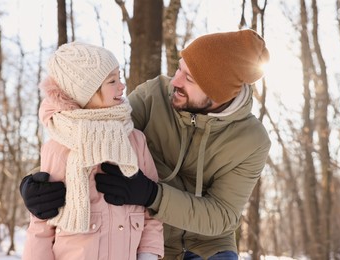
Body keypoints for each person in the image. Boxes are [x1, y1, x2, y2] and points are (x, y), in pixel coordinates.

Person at [20, 29, 271, 260]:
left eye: (190, 79)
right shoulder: (155, 96)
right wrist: (36, 185)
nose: (175, 81)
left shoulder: (251, 140)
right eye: (179, 69)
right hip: (142, 238)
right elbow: (92, 131)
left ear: (219, 93)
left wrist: (152, 194)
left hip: (207, 245)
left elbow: (222, 216)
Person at [21, 42, 164, 260]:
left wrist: (148, 255)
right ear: (85, 92)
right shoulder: (58, 147)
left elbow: (152, 211)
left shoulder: (134, 140)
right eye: (112, 81)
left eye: (120, 77)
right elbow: (42, 222)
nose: (122, 86)